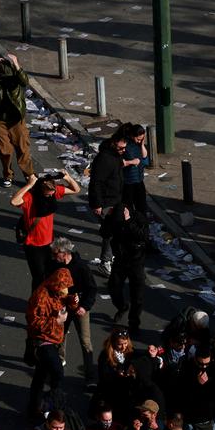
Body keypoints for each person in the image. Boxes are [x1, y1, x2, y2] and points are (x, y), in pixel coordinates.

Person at [10, 172, 79, 290]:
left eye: (53, 194)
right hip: (33, 246)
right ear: (42, 191)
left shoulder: (53, 192)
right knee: (39, 278)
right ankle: (36, 302)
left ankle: (48, 301)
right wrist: (29, 185)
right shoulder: (30, 197)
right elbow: (14, 201)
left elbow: (75, 189)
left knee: (51, 274)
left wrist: (67, 177)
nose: (51, 196)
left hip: (49, 244)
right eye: (48, 195)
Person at [47, 237, 97, 384]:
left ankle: (90, 376)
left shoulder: (81, 267)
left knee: (85, 342)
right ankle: (59, 366)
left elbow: (91, 289)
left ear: (64, 253)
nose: (54, 257)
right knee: (59, 337)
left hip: (79, 307)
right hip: (63, 306)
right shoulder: (54, 266)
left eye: (56, 254)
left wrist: (84, 306)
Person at [25, 267, 74, 416]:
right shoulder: (41, 296)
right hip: (42, 341)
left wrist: (72, 302)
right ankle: (53, 405)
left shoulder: (57, 293)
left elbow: (65, 303)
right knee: (57, 372)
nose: (64, 292)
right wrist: (56, 321)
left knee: (40, 376)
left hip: (54, 340)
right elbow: (33, 322)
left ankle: (35, 408)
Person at [0, 53, 34, 187]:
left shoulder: (16, 80)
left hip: (15, 119)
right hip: (0, 119)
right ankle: (8, 174)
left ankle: (29, 175)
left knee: (23, 148)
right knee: (4, 149)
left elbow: (25, 81)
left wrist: (16, 63)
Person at [102, 203, 148, 333]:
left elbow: (143, 236)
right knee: (113, 287)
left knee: (137, 295)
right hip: (120, 260)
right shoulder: (113, 219)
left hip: (136, 261)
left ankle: (134, 322)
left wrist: (128, 222)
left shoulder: (138, 218)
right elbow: (104, 233)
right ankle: (122, 306)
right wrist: (107, 219)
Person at [88, 135, 126, 275]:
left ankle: (108, 259)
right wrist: (97, 204)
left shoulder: (114, 157)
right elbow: (96, 182)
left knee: (111, 231)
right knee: (110, 232)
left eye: (124, 148)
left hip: (114, 200)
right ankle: (105, 262)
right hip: (106, 202)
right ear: (113, 145)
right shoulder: (105, 159)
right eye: (121, 148)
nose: (123, 150)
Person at [120, 123, 150, 213]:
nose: (139, 141)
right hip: (128, 182)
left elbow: (145, 159)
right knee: (128, 207)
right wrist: (132, 162)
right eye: (138, 139)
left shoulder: (139, 145)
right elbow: (117, 163)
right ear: (132, 135)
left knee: (141, 206)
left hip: (139, 180)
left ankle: (141, 224)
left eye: (141, 139)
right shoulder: (124, 145)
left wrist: (142, 145)